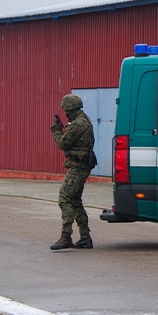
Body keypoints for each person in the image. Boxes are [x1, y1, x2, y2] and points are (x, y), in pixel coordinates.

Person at [49, 94, 95, 250]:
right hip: (81, 165)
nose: (66, 113)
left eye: (66, 110)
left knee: (64, 198)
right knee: (75, 201)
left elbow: (63, 143)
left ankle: (66, 236)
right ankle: (85, 237)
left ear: (70, 109)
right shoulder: (83, 120)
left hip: (78, 167)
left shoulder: (77, 124)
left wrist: (56, 130)